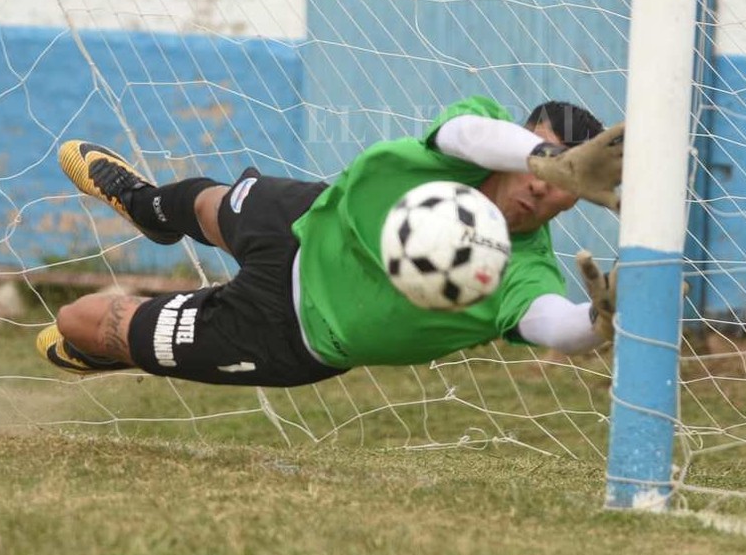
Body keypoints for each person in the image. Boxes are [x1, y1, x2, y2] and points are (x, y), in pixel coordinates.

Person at [36, 96, 625, 387]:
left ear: (579, 198)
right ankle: (144, 206)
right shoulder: (475, 139)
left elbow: (555, 323)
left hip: (288, 335)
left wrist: (598, 320)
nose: (538, 191)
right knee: (208, 204)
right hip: (306, 221)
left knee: (77, 319)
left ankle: (118, 347)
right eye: (536, 170)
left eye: (560, 190)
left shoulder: (524, 270)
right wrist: (552, 161)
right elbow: (465, 133)